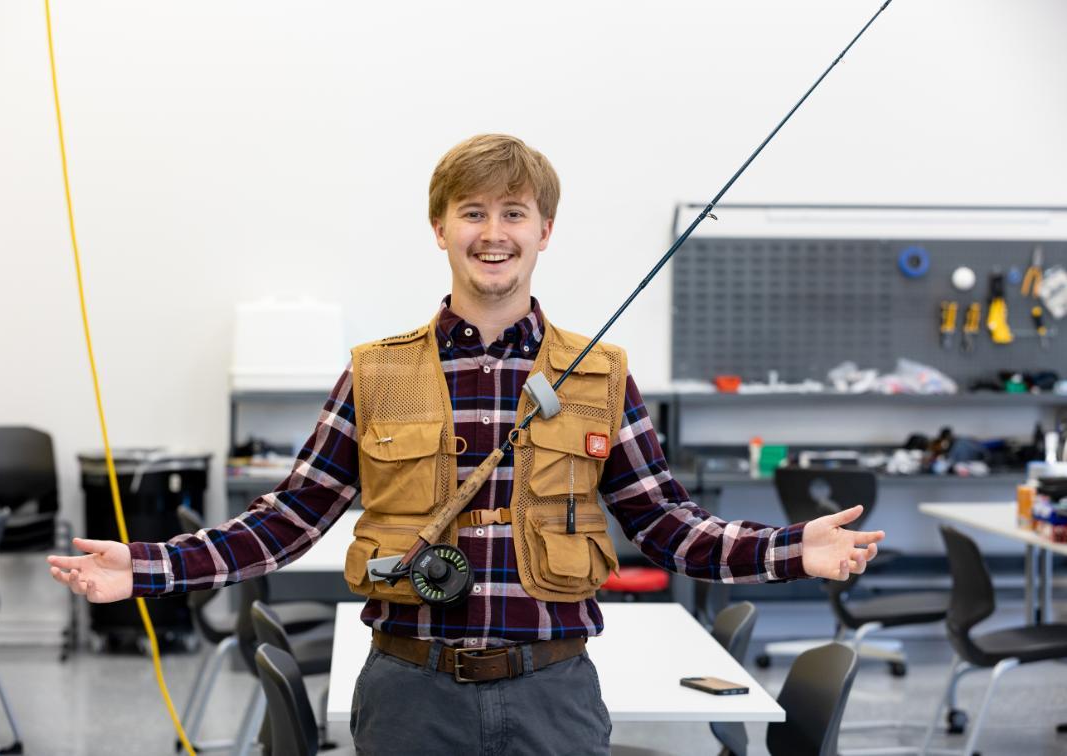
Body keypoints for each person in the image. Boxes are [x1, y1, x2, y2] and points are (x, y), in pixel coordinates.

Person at [48, 134, 883, 755]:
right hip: (408, 698)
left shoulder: (600, 375)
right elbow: (288, 520)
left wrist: (790, 549)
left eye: (514, 213)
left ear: (545, 230)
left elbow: (668, 525)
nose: (494, 232)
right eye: (473, 212)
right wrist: (147, 568)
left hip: (554, 696)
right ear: (440, 227)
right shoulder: (376, 373)